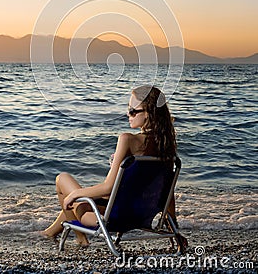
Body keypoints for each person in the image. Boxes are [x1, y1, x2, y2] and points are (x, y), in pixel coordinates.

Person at [42, 85, 179, 246]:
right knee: (82, 199)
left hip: (112, 220)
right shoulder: (167, 149)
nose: (128, 115)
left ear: (148, 113)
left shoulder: (127, 139)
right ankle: (49, 233)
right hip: (139, 218)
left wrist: (74, 194)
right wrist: (175, 231)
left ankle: (81, 239)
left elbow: (108, 188)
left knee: (62, 180)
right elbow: (167, 194)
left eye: (133, 111)